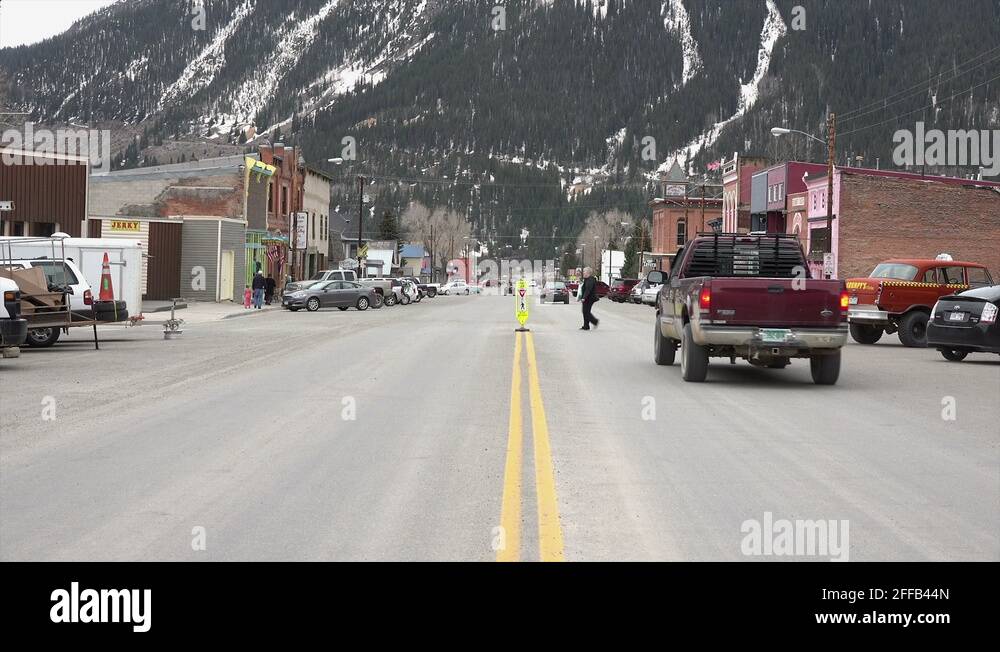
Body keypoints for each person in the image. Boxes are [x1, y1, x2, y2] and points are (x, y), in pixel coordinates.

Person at [579, 266, 600, 330]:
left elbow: (588, 289)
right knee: (585, 311)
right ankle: (586, 326)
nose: (583, 273)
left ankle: (595, 321)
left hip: (590, 298)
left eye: (584, 271)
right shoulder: (587, 279)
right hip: (587, 298)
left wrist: (584, 298)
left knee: (586, 312)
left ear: (588, 273)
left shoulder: (590, 279)